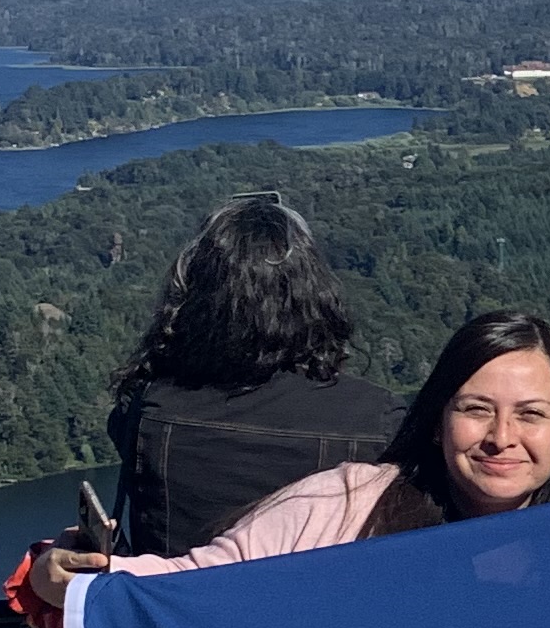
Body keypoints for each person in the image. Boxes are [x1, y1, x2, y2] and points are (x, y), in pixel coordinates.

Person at [22, 310, 550, 615]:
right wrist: (77, 576)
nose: (501, 437)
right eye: (475, 409)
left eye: (532, 414)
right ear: (438, 415)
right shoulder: (344, 504)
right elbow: (196, 584)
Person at [104, 195, 402, 554]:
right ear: (314, 296)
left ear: (194, 299)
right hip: (318, 606)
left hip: (183, 605)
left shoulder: (146, 410)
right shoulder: (376, 417)